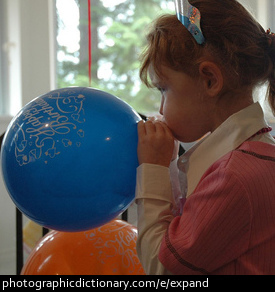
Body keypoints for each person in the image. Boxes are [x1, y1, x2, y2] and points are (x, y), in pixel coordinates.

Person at [135, 0, 275, 275]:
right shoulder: (257, 157)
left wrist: (154, 168)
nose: (161, 109)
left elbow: (162, 267)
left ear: (210, 80)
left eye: (164, 89)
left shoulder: (234, 177)